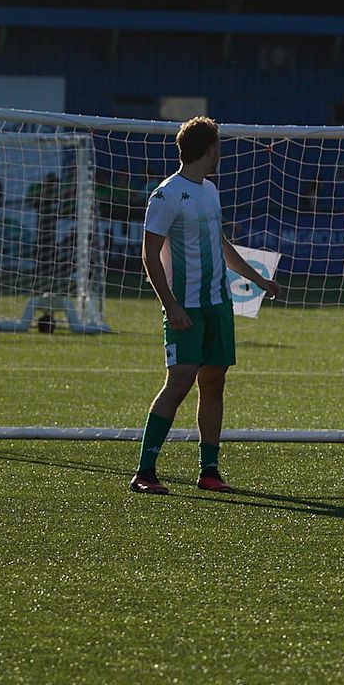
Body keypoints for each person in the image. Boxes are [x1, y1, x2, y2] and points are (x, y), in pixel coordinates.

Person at [130, 117, 280, 496]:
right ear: (211, 149)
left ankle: (209, 471)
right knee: (179, 382)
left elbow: (220, 242)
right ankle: (145, 471)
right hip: (186, 308)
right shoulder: (166, 195)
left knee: (214, 384)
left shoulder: (209, 190)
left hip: (218, 304)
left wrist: (258, 279)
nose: (220, 152)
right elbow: (149, 255)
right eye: (219, 146)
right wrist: (171, 305)